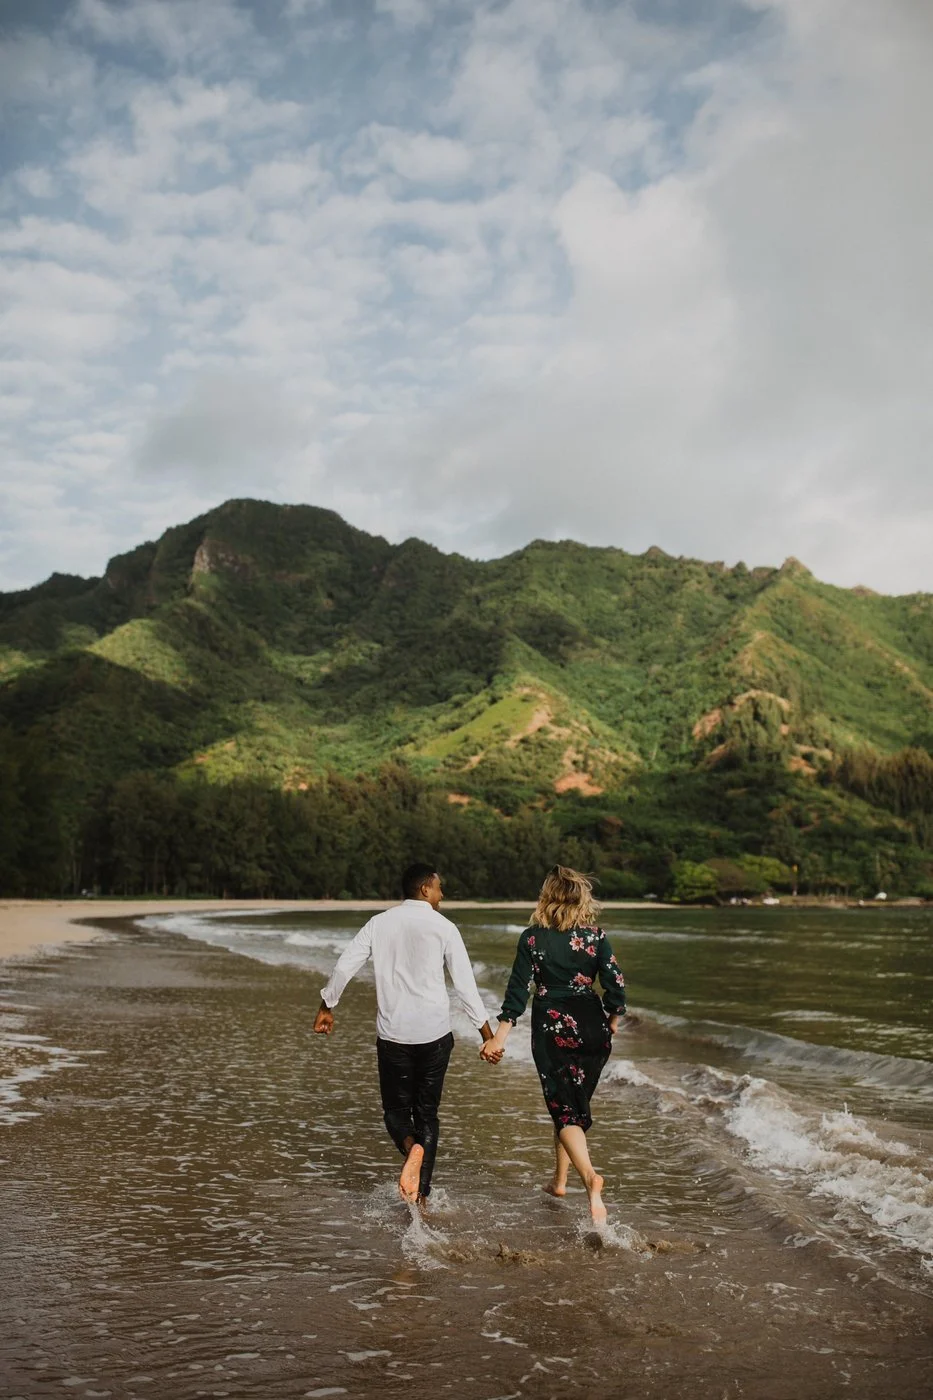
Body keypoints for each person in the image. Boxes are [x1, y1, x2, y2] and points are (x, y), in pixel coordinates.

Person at [313, 862, 498, 1205]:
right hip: (435, 1035)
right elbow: (465, 985)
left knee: (396, 1114)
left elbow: (345, 965)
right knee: (427, 1113)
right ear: (425, 889)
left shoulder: (379, 924)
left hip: (394, 1035)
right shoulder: (444, 927)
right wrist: (486, 1034)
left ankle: (412, 1149)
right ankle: (422, 1194)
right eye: (439, 888)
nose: (442, 895)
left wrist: (328, 1005)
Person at [480, 865, 626, 1223]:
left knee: (564, 1107)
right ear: (582, 900)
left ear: (547, 898)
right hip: (593, 1029)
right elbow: (615, 984)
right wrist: (613, 1020)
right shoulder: (596, 937)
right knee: (568, 1106)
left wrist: (499, 1036)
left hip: (553, 1027)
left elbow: (517, 991)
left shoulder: (532, 938)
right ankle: (560, 1182)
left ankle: (590, 1178)